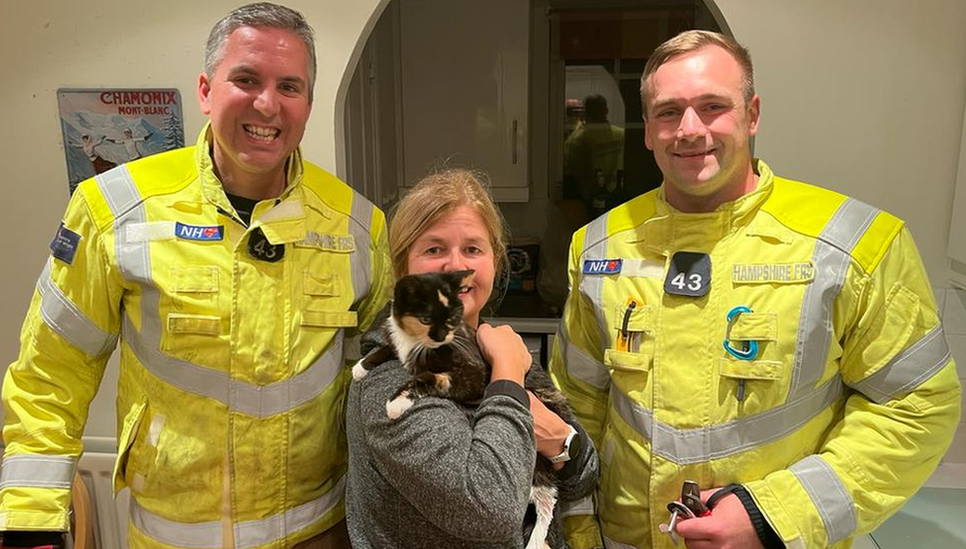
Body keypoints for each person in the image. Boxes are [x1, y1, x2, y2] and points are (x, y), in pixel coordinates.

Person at [0, 4, 391, 549]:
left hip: (320, 533)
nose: (267, 103)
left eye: (289, 86)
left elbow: (385, 378)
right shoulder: (115, 210)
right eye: (246, 79)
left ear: (309, 104)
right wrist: (29, 519)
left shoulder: (357, 226)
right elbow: (53, 369)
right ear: (206, 89)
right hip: (172, 538)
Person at [549, 30, 961, 549]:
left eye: (713, 106)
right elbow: (575, 409)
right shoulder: (597, 248)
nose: (690, 130)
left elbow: (917, 406)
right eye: (668, 112)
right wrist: (580, 534)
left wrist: (774, 515)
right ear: (649, 130)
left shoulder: (852, 246)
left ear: (753, 114)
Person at [345, 169, 599, 548]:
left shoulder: (492, 346)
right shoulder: (390, 379)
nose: (455, 267)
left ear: (496, 261)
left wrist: (561, 440)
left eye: (472, 249)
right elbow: (489, 511)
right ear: (402, 268)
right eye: (434, 249)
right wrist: (509, 378)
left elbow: (584, 473)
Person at [563, 94, 625, 215]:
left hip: (589, 200)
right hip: (617, 196)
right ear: (606, 111)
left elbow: (570, 173)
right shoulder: (622, 135)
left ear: (584, 113)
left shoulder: (576, 140)